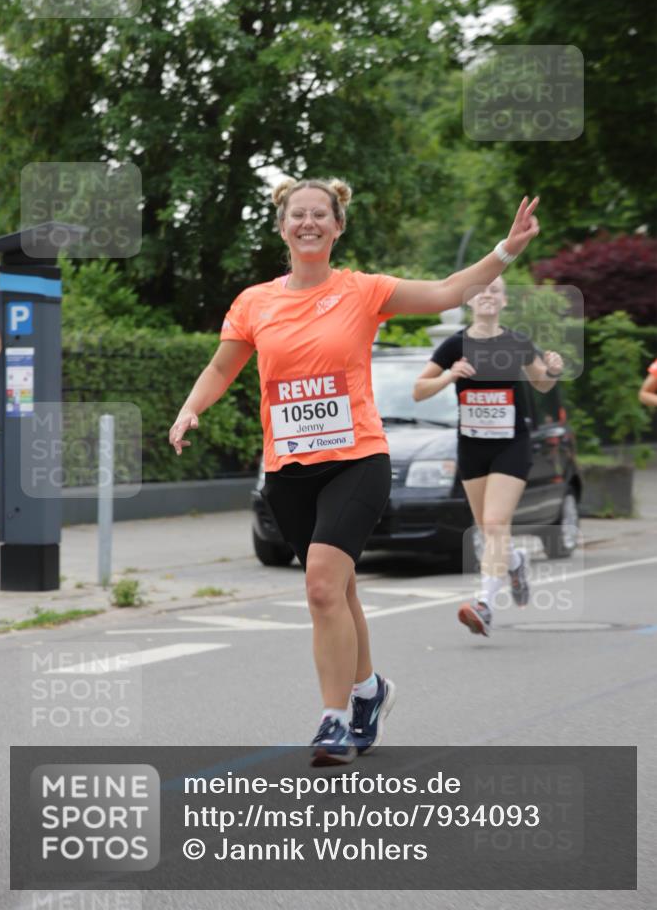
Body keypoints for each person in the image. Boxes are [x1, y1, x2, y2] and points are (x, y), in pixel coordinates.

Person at [170, 179, 540, 763]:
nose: (309, 222)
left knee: (320, 586)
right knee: (337, 592)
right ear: (283, 226)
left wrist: (506, 249)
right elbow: (221, 369)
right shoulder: (253, 302)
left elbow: (447, 291)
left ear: (338, 227)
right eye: (299, 215)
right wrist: (191, 409)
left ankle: (334, 719)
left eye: (321, 214)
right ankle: (370, 691)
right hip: (288, 467)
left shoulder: (363, 290)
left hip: (357, 458)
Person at [413, 276, 564, 638]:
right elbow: (419, 390)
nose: (487, 295)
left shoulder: (516, 342)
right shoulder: (454, 345)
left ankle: (484, 605)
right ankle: (515, 561)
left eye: (495, 291)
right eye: (481, 290)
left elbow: (542, 383)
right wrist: (450, 375)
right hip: (472, 445)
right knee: (487, 529)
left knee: (495, 524)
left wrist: (554, 370)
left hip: (512, 444)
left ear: (504, 302)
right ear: (469, 300)